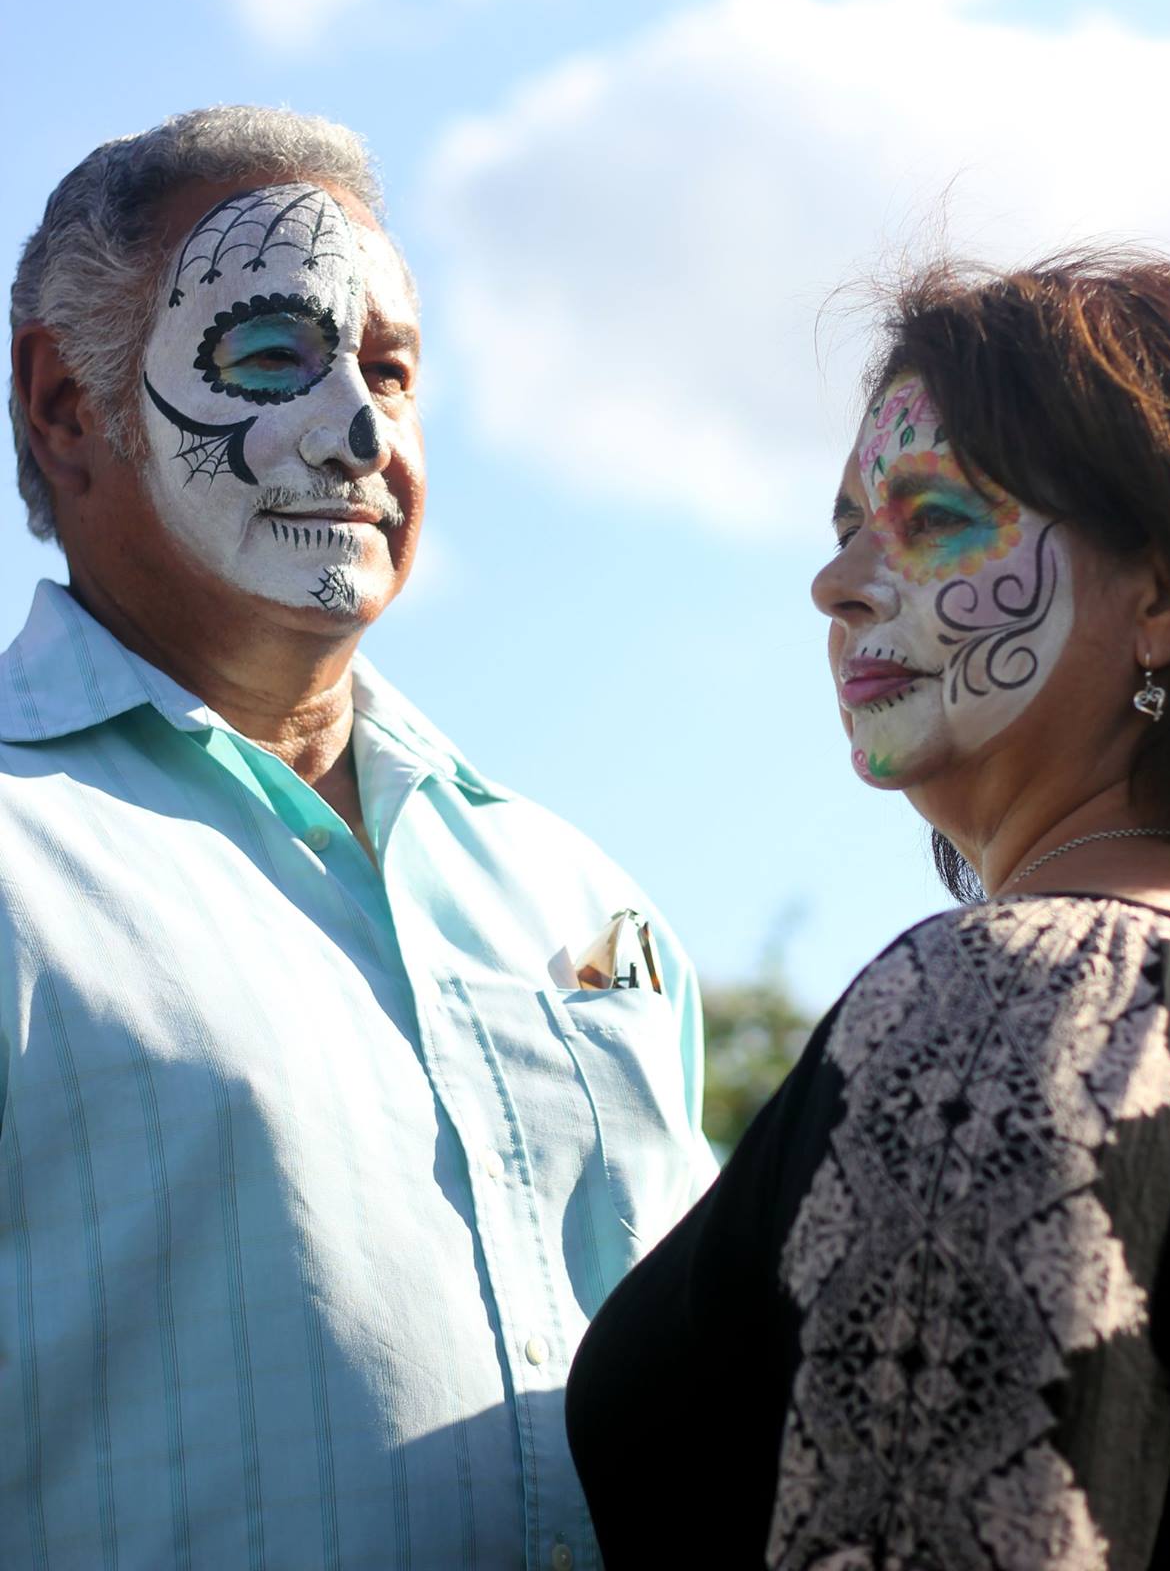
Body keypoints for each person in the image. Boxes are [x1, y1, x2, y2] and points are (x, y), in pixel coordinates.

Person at [568, 250, 1170, 1569]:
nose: (836, 586)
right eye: (842, 530)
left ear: (1167, 589)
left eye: (930, 518)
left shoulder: (1021, 999)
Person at [2, 105, 712, 1570]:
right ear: (67, 408)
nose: (359, 431)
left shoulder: (581, 897)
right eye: (273, 354)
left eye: (387, 370)